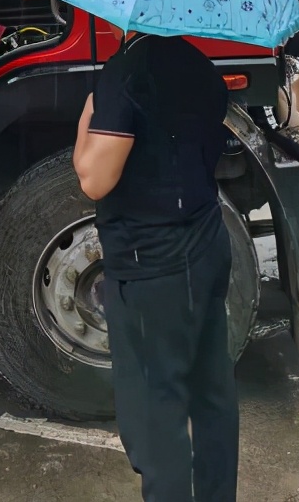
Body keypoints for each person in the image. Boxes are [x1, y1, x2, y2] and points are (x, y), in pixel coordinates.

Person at [73, 28, 238, 502]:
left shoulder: (126, 72)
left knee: (155, 412)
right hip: (207, 242)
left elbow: (95, 179)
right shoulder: (201, 66)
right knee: (212, 392)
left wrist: (90, 111)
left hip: (151, 264)